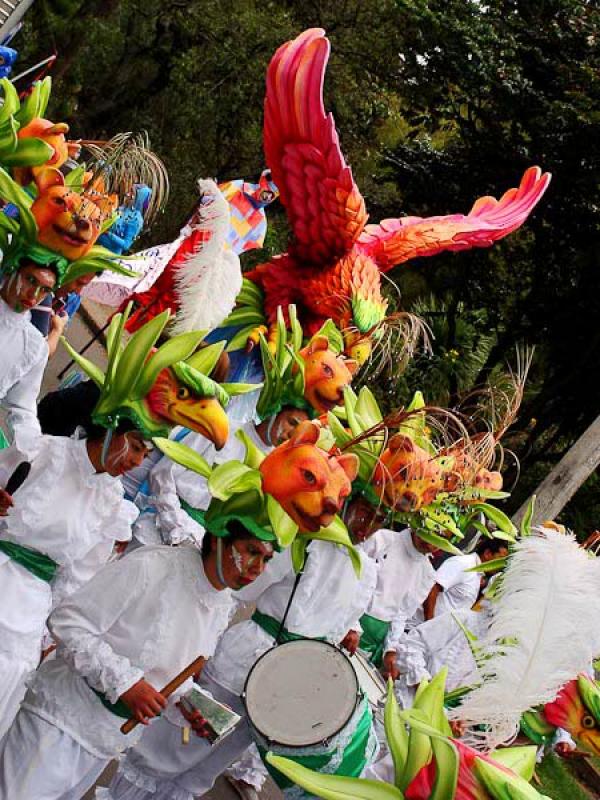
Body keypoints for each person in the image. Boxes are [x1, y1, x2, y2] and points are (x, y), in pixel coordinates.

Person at [0, 519, 275, 800]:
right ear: (218, 539)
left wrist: (190, 705)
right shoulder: (153, 566)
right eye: (251, 551)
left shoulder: (220, 605)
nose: (257, 569)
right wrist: (127, 684)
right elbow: (68, 622)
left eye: (267, 559)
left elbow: (169, 671)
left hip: (106, 740)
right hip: (58, 720)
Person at [0, 417, 144, 737]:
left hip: (33, 608)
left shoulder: (111, 500)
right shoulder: (45, 452)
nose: (136, 462)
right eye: (135, 446)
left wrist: (51, 635)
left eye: (145, 455)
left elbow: (79, 575)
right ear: (109, 428)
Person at [134, 405, 310, 547]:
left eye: (300, 433)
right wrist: (177, 526)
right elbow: (163, 474)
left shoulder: (273, 472)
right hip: (157, 527)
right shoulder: (222, 428)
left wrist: (200, 543)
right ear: (276, 409)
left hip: (200, 549)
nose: (291, 435)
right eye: (292, 422)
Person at [0, 253, 64, 447]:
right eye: (30, 280)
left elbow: (23, 406)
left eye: (45, 290)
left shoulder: (34, 346)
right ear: (12, 270)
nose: (34, 295)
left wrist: (33, 445)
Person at [423, 538, 509, 620]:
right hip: (419, 627)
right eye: (500, 560)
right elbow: (432, 588)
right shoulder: (463, 564)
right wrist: (428, 623)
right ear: (487, 554)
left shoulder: (478, 575)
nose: (501, 566)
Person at [30, 271, 97, 357]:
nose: (77, 291)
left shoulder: (74, 300)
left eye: (83, 286)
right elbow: (40, 356)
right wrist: (57, 330)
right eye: (79, 283)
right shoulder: (40, 298)